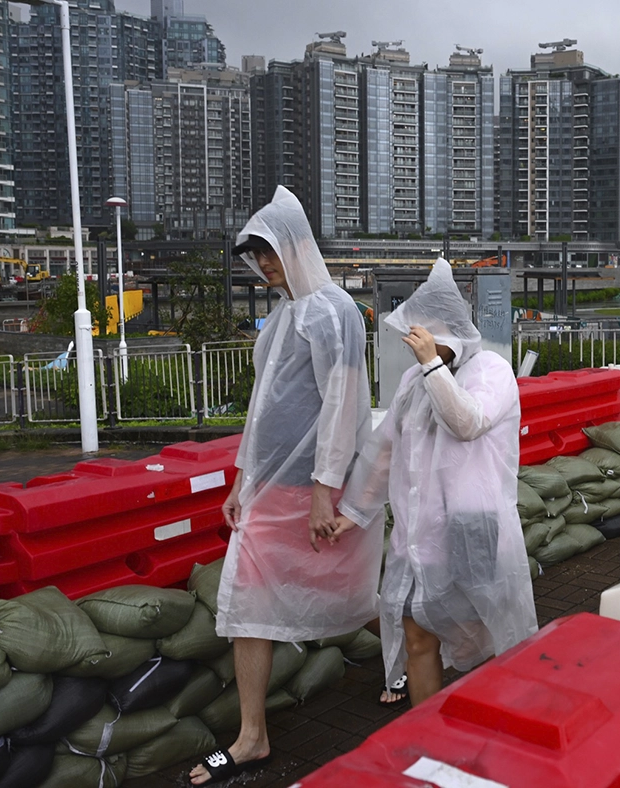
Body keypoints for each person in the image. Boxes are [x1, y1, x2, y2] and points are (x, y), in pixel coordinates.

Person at [189, 186, 381, 785]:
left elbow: (343, 405)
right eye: (257, 257)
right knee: (249, 600)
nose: (266, 266)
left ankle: (412, 654)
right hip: (271, 492)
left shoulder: (332, 311)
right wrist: (240, 482)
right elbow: (261, 410)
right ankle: (253, 737)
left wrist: (326, 489)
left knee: (358, 597)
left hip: (308, 489)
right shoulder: (281, 317)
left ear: (298, 246)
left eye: (271, 252)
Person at [334, 259, 537, 706]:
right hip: (420, 536)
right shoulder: (412, 381)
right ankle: (426, 733)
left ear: (446, 331)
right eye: (412, 336)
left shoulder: (491, 371)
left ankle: (499, 722)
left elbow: (468, 421)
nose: (413, 344)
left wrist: (432, 365)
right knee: (418, 636)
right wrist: (352, 512)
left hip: (473, 529)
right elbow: (385, 449)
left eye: (421, 334)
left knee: (489, 635)